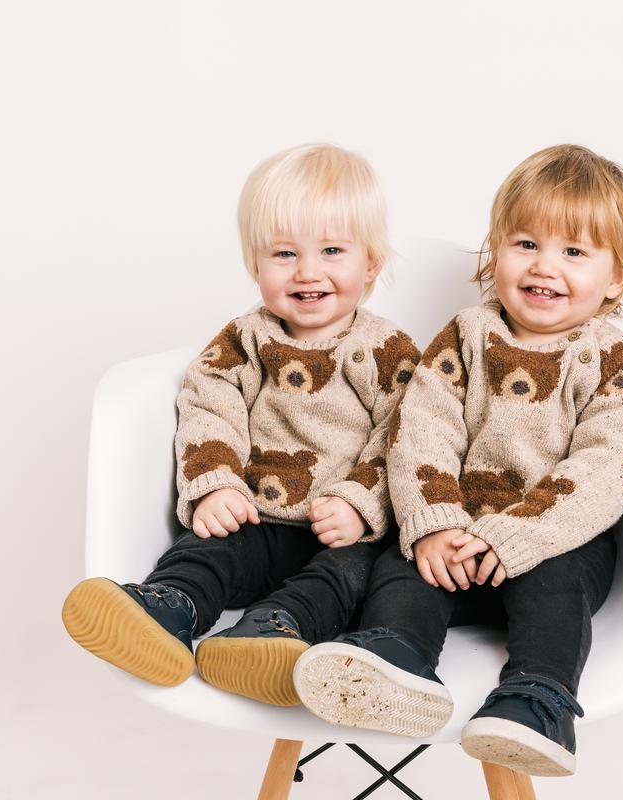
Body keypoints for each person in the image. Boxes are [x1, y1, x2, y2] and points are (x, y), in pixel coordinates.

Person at [292, 144, 623, 775]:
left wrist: (514, 537)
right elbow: (421, 433)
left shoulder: (614, 360)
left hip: (554, 541)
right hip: (456, 539)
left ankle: (537, 701)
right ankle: (398, 658)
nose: (545, 266)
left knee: (556, 585)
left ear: (616, 277)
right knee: (403, 565)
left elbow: (604, 470)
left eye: (574, 252)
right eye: (526, 244)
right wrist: (436, 524)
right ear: (496, 252)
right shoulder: (466, 336)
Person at [62, 143, 419, 707]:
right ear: (255, 264)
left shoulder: (388, 350)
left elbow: (406, 436)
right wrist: (215, 486)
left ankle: (272, 630)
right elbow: (209, 408)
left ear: (370, 262)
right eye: (284, 253)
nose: (308, 272)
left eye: (332, 250)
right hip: (258, 518)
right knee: (210, 548)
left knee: (348, 576)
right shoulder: (243, 341)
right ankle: (168, 607)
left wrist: (360, 503)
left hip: (346, 534)